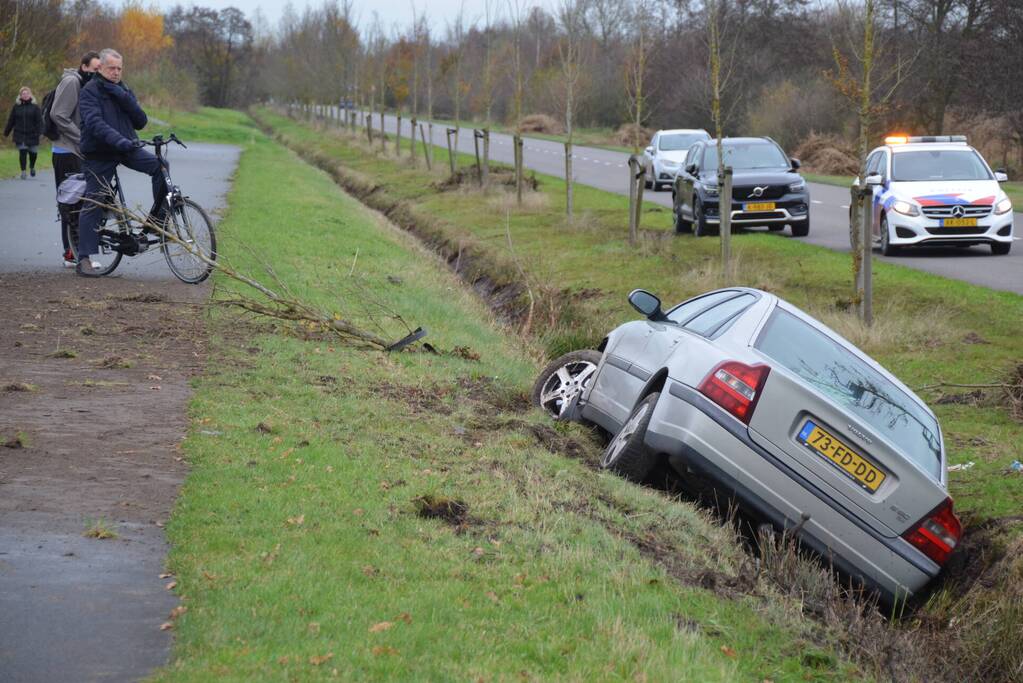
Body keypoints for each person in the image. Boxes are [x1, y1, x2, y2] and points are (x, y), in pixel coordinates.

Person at [78, 48, 166, 276]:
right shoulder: (90, 91)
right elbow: (95, 124)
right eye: (111, 68)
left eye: (119, 68)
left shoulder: (123, 89)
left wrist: (123, 96)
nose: (116, 72)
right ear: (101, 68)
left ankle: (157, 222)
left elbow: (140, 121)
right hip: (100, 152)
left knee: (160, 166)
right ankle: (85, 258)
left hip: (126, 147)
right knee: (95, 200)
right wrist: (120, 141)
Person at [51, 51, 101, 267]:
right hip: (66, 152)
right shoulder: (72, 81)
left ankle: (78, 252)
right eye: (94, 69)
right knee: (70, 203)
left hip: (78, 151)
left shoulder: (88, 85)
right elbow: (58, 114)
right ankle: (71, 253)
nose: (97, 73)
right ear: (84, 66)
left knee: (81, 202)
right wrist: (81, 139)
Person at [3, 87, 43, 180]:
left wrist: (41, 132)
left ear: (30, 95)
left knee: (33, 153)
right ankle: (23, 171)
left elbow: (39, 121)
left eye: (27, 93)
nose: (25, 95)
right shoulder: (16, 107)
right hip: (20, 134)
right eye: (23, 94)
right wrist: (6, 132)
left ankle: (32, 167)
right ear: (20, 96)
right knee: (22, 152)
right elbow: (11, 120)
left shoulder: (35, 107)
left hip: (32, 134)